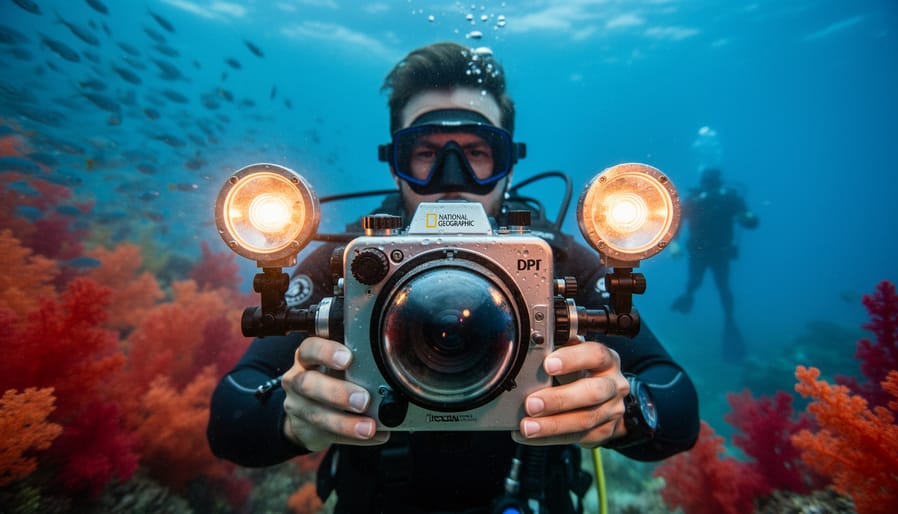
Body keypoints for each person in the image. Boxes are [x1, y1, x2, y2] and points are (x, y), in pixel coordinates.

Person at [208, 42, 699, 514]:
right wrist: (293, 419)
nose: (452, 176)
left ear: (507, 165)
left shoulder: (553, 263)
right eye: (425, 152)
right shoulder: (353, 267)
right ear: (396, 165)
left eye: (477, 152)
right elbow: (231, 419)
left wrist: (622, 409)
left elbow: (678, 407)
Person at [670, 167, 759, 361]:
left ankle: (729, 320)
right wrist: (674, 244)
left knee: (721, 286)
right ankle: (690, 296)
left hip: (719, 252)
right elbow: (676, 222)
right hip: (702, 251)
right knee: (700, 282)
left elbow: (751, 222)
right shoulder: (695, 200)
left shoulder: (728, 199)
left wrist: (747, 218)